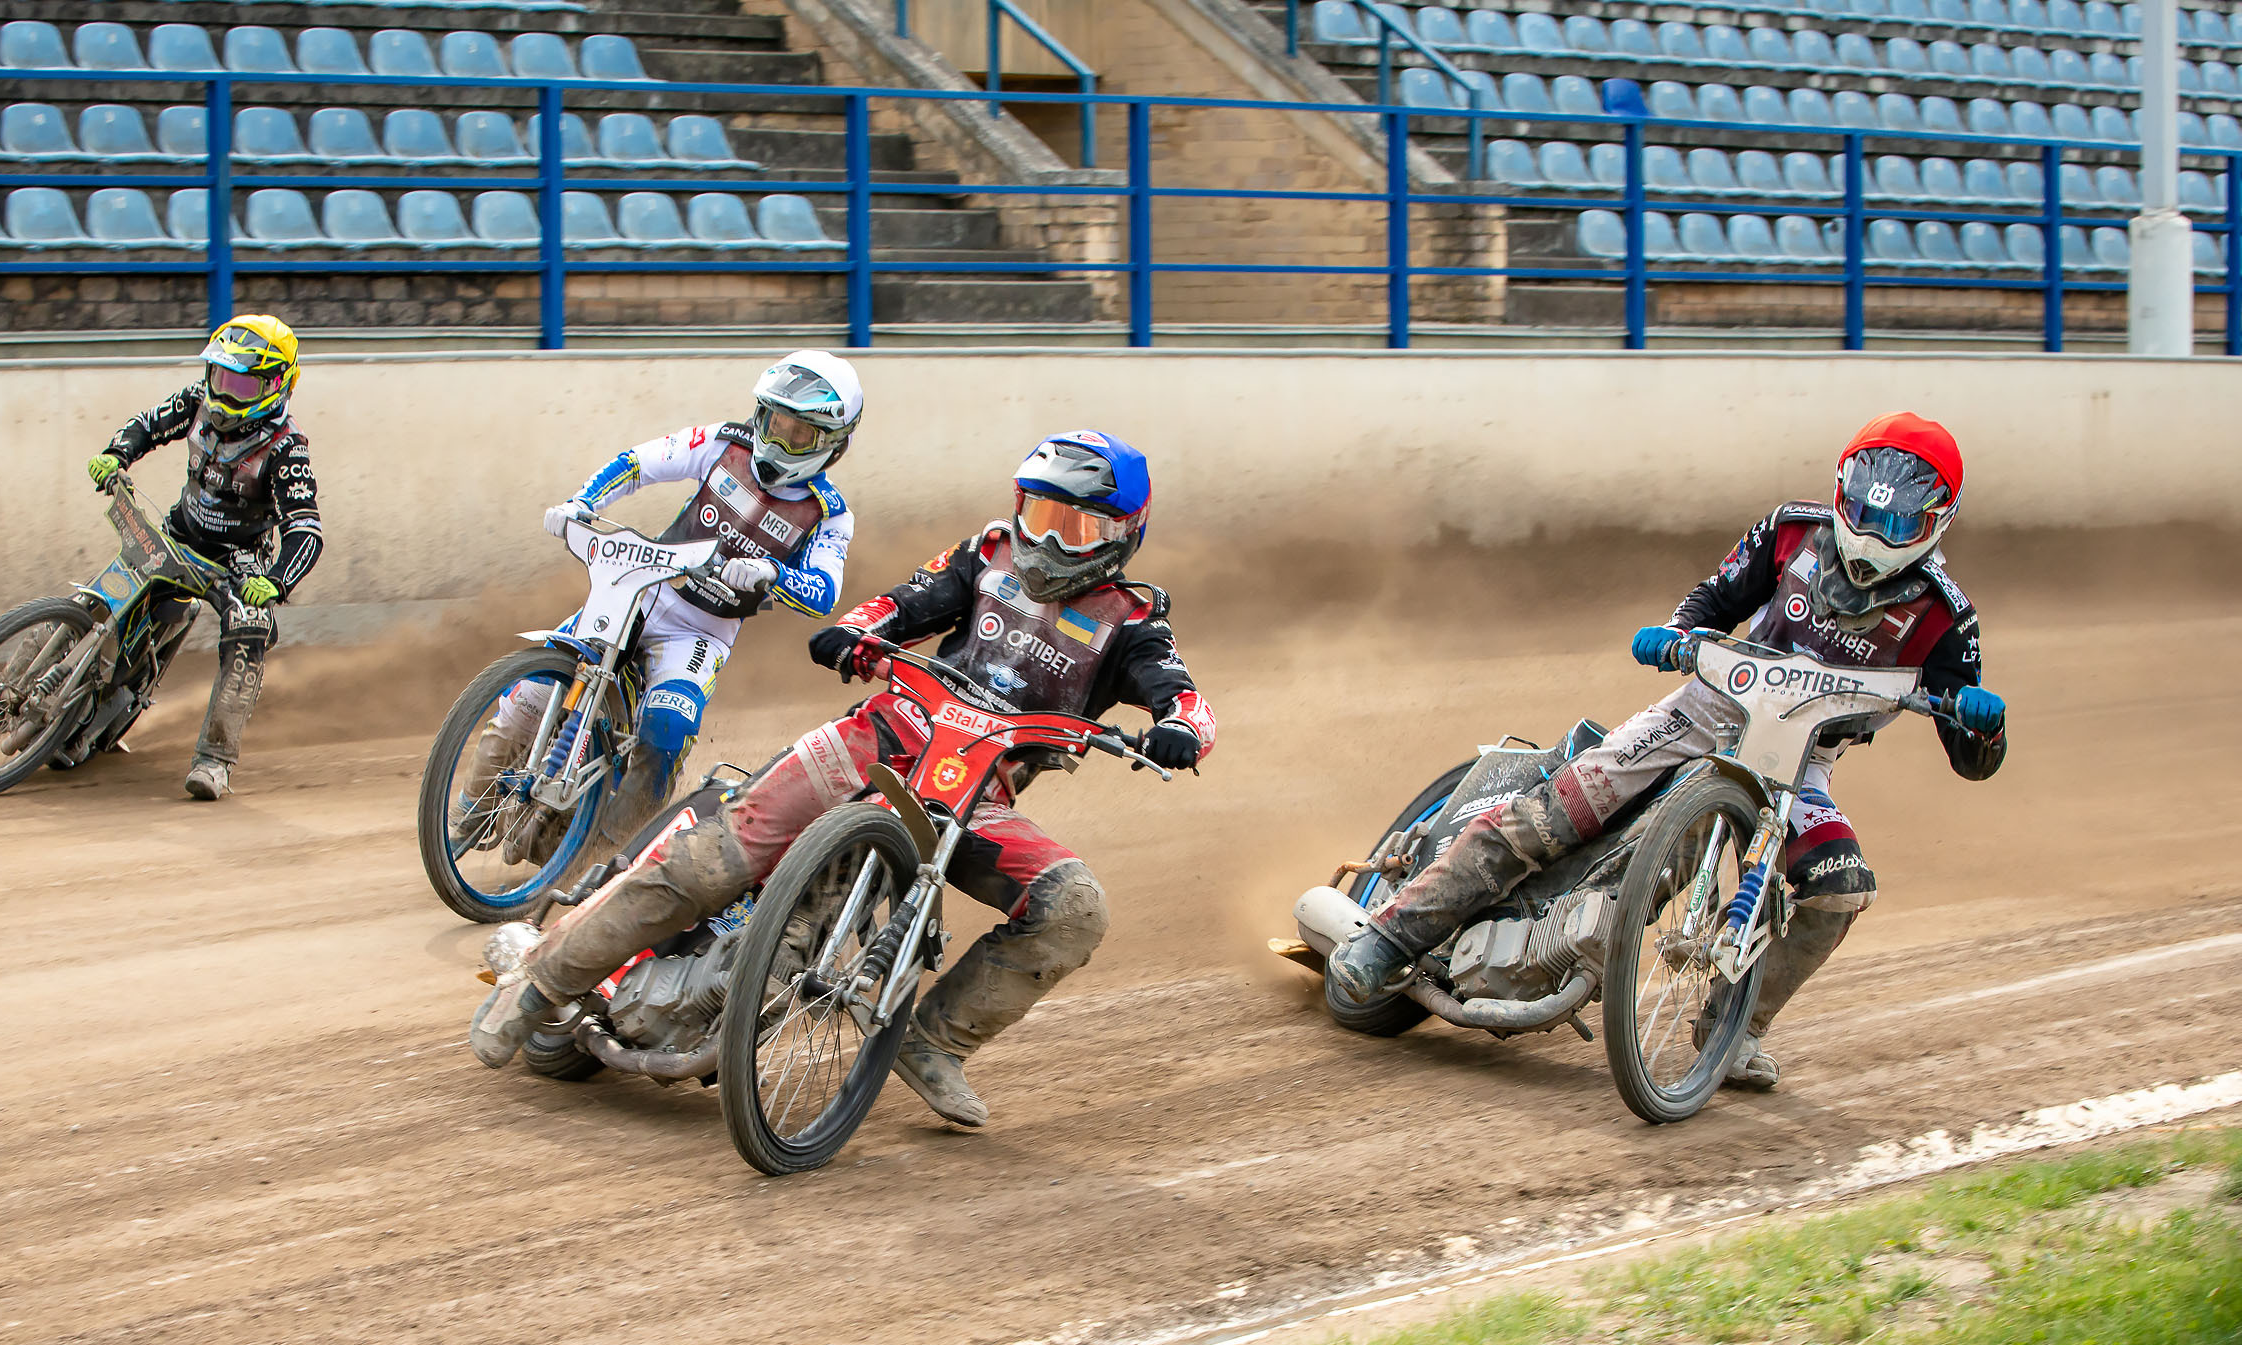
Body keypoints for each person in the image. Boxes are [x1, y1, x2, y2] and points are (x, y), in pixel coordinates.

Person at [474, 429, 1215, 1129]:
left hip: (974, 797)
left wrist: (1179, 730)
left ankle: (934, 1042)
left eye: (1075, 528)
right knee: (710, 860)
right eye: (1040, 515)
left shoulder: (1132, 620)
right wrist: (856, 631)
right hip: (874, 739)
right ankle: (539, 983)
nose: (1047, 541)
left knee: (1075, 906)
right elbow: (901, 604)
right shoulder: (986, 556)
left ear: (1123, 536)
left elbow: (1185, 699)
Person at [1328, 411, 2009, 1090]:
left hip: (1802, 762)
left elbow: (1972, 758)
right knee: (1555, 811)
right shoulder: (1791, 530)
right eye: (1862, 512)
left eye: (1895, 524)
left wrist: (1983, 726)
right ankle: (1388, 938)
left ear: (1935, 522)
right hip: (1705, 708)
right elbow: (1718, 595)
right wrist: (1678, 631)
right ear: (1842, 492)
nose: (1871, 534)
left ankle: (1734, 1031)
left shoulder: (1947, 618)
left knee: (1839, 887)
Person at [455, 351, 862, 856]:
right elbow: (638, 463)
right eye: (773, 421)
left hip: (702, 633)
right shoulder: (723, 443)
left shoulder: (830, 514)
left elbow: (824, 591)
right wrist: (582, 503)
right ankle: (468, 814)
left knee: (667, 731)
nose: (778, 440)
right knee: (532, 691)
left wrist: (772, 573)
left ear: (832, 444)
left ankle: (604, 857)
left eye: (798, 434)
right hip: (642, 588)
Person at [84, 314, 321, 801]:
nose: (224, 394)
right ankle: (8, 694)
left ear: (278, 385)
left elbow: (306, 529)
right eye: (220, 377)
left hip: (239, 562)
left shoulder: (288, 447)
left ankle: (215, 759)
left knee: (250, 629)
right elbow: (148, 424)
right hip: (179, 532)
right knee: (98, 598)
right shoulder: (197, 400)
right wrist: (117, 453)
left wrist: (277, 581)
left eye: (241, 384)